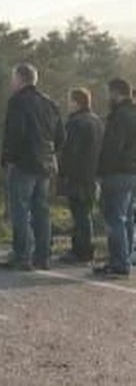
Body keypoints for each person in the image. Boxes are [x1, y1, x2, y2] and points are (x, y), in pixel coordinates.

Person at [0, 63, 65, 271]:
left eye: (13, 78)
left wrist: (8, 156)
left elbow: (15, 132)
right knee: (41, 210)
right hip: (44, 164)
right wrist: (50, 152)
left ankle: (22, 254)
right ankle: (42, 256)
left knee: (20, 209)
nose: (12, 82)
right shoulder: (49, 103)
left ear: (20, 79)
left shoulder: (18, 101)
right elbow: (61, 136)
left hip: (24, 163)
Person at [94, 78, 136, 278]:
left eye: (109, 93)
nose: (107, 97)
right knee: (126, 218)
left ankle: (119, 263)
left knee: (114, 219)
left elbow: (112, 148)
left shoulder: (119, 116)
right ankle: (125, 259)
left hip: (117, 172)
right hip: (132, 173)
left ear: (116, 92)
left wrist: (101, 173)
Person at [58, 88, 104, 264]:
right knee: (86, 213)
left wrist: (63, 172)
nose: (67, 105)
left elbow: (70, 151)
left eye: (69, 101)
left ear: (77, 102)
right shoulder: (98, 122)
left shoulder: (76, 123)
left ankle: (81, 251)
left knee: (79, 214)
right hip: (93, 175)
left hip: (78, 175)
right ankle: (84, 249)